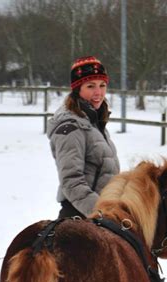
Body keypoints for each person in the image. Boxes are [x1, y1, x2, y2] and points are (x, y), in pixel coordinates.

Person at [47, 55, 120, 219]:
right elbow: (71, 181)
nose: (98, 92)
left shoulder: (94, 123)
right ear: (78, 89)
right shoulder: (71, 128)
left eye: (102, 85)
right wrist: (102, 213)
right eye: (90, 86)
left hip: (103, 212)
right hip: (81, 215)